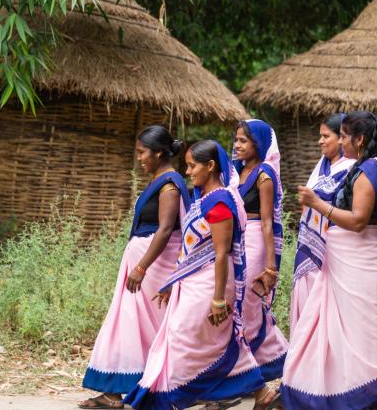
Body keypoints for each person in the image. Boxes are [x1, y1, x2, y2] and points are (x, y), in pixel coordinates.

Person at [124, 140, 279, 410]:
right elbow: (191, 248)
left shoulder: (219, 201)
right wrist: (173, 282)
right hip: (196, 281)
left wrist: (218, 298)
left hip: (210, 283)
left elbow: (220, 254)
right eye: (187, 165)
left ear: (210, 166)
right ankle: (261, 392)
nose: (188, 171)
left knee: (184, 338)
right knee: (211, 340)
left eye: (193, 166)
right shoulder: (204, 199)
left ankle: (169, 398)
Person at [282, 111, 377, 410]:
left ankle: (373, 396)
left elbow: (360, 220)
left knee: (365, 336)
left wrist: (318, 204)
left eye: (345, 137)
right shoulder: (375, 165)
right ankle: (326, 392)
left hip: (358, 267)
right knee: (328, 331)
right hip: (342, 267)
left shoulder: (367, 172)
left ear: (359, 139)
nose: (342, 142)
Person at [80, 126, 190, 409]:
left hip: (152, 268)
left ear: (158, 153)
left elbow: (166, 230)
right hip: (143, 263)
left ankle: (144, 385)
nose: (139, 158)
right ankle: (121, 388)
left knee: (138, 323)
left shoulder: (169, 184)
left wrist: (141, 267)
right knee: (131, 323)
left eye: (142, 152)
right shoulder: (160, 179)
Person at [232, 119, 289, 381]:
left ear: (258, 143)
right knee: (238, 305)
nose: (237, 145)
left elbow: (268, 222)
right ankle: (277, 362)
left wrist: (269, 267)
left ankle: (244, 372)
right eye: (236, 140)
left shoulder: (265, 175)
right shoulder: (236, 171)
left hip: (254, 241)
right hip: (236, 242)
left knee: (250, 306)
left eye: (244, 140)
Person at [289, 113, 356, 330]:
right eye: (320, 136)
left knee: (328, 310)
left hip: (333, 249)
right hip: (308, 245)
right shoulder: (322, 166)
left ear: (342, 138)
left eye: (326, 136)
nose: (320, 141)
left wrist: (315, 202)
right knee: (306, 300)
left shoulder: (352, 169)